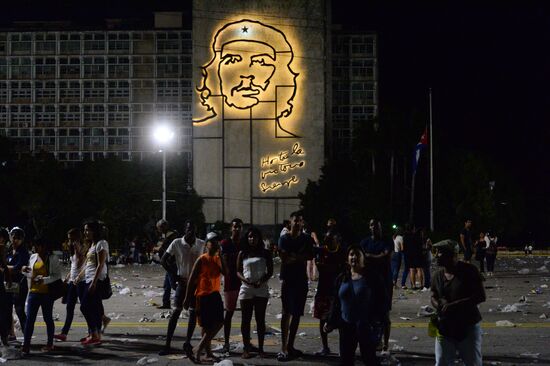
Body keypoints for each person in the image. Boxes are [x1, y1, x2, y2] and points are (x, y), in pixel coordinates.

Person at [325, 245, 389, 366]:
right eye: (351, 254)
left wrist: (378, 323)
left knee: (369, 359)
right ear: (347, 259)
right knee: (346, 360)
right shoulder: (342, 277)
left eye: (357, 254)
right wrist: (330, 321)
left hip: (366, 326)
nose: (353, 257)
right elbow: (336, 302)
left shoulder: (372, 277)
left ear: (363, 258)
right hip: (346, 326)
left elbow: (382, 301)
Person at [431, 240, 486, 366]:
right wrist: (438, 304)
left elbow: (480, 296)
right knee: (442, 362)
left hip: (467, 326)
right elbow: (433, 295)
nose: (436, 256)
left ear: (453, 255)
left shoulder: (469, 271)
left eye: (440, 253)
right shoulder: (437, 275)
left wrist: (454, 305)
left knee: (473, 362)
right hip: (445, 328)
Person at [158, 220, 205, 356]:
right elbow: (163, 260)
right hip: (183, 282)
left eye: (193, 229)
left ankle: (187, 342)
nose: (191, 231)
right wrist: (174, 276)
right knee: (175, 313)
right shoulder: (177, 243)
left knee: (192, 313)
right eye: (189, 228)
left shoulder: (201, 244)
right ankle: (167, 345)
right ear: (185, 229)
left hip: (195, 284)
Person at [183, 232, 227, 364]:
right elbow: (191, 280)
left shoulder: (218, 259)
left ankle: (198, 348)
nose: (215, 244)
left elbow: (226, 272)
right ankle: (205, 353)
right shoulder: (202, 259)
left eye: (217, 242)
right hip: (202, 296)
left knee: (219, 322)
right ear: (206, 244)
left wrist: (222, 257)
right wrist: (187, 298)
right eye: (212, 242)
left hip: (215, 294)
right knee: (206, 326)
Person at [277, 211, 314, 362]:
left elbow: (311, 255)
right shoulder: (284, 238)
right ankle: (283, 348)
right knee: (286, 312)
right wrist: (300, 256)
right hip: (288, 279)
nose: (298, 223)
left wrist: (294, 257)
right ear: (290, 223)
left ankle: (291, 346)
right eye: (295, 221)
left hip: (301, 280)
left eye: (300, 221)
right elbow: (284, 258)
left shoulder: (306, 238)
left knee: (297, 313)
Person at [236, 227, 273, 359]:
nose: (252, 239)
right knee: (246, 320)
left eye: (255, 237)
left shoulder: (266, 253)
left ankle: (261, 349)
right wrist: (245, 280)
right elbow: (238, 271)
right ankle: (246, 348)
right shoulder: (243, 253)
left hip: (261, 288)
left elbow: (270, 271)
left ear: (259, 238)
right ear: (247, 238)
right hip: (246, 288)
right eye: (250, 237)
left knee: (260, 320)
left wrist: (261, 281)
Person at [21, 236, 62, 354]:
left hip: (47, 294)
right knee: (29, 320)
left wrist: (44, 280)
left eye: (37, 245)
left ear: (43, 246)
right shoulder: (33, 257)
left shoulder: (53, 258)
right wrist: (24, 270)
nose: (34, 248)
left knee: (48, 319)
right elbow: (30, 274)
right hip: (33, 292)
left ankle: (50, 344)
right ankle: (26, 345)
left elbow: (57, 276)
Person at [360, 219, 393, 353]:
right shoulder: (365, 242)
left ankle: (385, 344)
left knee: (384, 314)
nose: (374, 228)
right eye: (372, 225)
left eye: (377, 226)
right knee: (369, 314)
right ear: (369, 227)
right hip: (369, 282)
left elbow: (386, 257)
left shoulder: (387, 241)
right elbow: (361, 257)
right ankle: (374, 341)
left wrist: (369, 256)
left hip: (384, 282)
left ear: (381, 228)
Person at [77, 221, 109, 346]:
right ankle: (93, 334)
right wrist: (80, 276)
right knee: (93, 308)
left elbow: (100, 264)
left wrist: (94, 283)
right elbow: (88, 264)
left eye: (87, 230)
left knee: (84, 306)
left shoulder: (102, 243)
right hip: (88, 278)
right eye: (85, 230)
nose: (85, 232)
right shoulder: (92, 245)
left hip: (96, 280)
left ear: (94, 231)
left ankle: (95, 334)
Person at [313, 232, 345, 356]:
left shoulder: (340, 252)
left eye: (331, 238)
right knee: (322, 319)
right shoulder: (322, 251)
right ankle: (325, 347)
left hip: (337, 291)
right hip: (323, 290)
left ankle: (343, 348)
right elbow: (320, 266)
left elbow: (340, 269)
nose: (328, 240)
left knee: (341, 321)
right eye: (326, 238)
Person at [54, 228, 87, 342]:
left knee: (85, 308)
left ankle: (93, 331)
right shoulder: (73, 249)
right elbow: (73, 267)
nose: (69, 241)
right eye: (68, 239)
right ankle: (64, 333)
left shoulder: (83, 248)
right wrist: (67, 278)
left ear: (77, 238)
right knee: (69, 307)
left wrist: (78, 251)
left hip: (81, 281)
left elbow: (79, 265)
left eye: (71, 239)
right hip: (73, 281)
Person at [220, 218, 243, 353]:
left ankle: (246, 341)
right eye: (235, 227)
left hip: (244, 281)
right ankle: (227, 343)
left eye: (239, 227)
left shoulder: (244, 243)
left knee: (246, 314)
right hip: (230, 280)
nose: (237, 229)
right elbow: (224, 261)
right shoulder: (225, 243)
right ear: (231, 228)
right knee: (229, 312)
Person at [6, 227, 30, 338]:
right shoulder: (10, 250)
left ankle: (27, 336)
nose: (15, 240)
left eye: (18, 238)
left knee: (19, 310)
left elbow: (18, 268)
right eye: (13, 237)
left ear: (22, 240)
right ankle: (11, 333)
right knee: (7, 309)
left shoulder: (23, 252)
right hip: (9, 284)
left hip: (20, 284)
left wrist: (6, 268)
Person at [154, 219, 179, 309]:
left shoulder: (171, 236)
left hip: (171, 264)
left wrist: (155, 248)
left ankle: (185, 299)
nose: (159, 230)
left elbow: (161, 248)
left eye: (159, 228)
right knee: (167, 285)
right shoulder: (168, 235)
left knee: (173, 285)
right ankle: (166, 303)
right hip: (168, 264)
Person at [0, 228, 12, 350]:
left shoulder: (1, 248)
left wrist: (8, 278)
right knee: (2, 312)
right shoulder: (2, 248)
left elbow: (4, 265)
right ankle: (4, 338)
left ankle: (4, 337)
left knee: (3, 312)